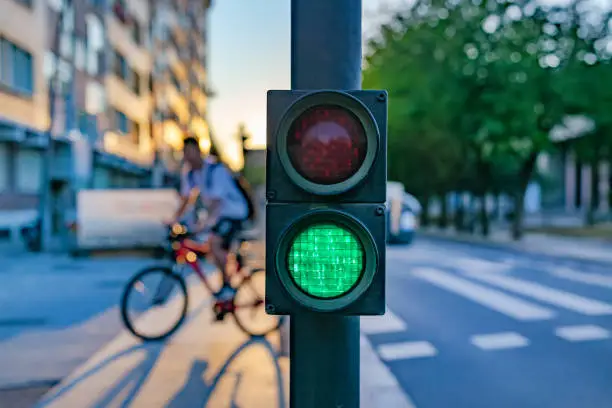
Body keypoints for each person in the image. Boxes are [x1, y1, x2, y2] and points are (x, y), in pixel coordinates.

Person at [171, 137, 249, 299]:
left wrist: (204, 223)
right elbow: (186, 199)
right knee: (209, 246)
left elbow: (217, 202)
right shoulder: (190, 173)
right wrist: (174, 220)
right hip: (219, 215)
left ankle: (228, 286)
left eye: (190, 152)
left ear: (199, 151)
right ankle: (231, 265)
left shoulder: (215, 169)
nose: (187, 157)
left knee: (214, 244)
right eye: (184, 153)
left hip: (234, 213)